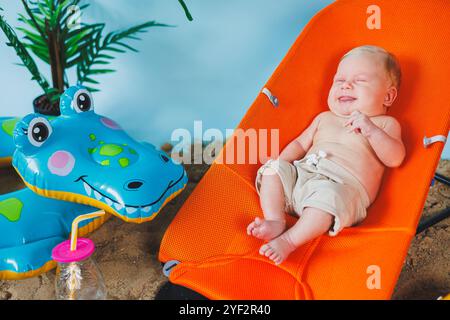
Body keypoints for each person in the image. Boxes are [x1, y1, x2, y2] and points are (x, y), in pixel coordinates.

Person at [247, 45, 406, 265]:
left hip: (341, 189)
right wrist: (281, 165)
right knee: (271, 169)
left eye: (360, 80)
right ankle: (275, 219)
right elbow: (299, 144)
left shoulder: (385, 124)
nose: (346, 85)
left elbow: (395, 158)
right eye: (339, 81)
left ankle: (289, 241)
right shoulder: (324, 118)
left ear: (388, 96)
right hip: (303, 176)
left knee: (326, 201)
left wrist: (371, 130)